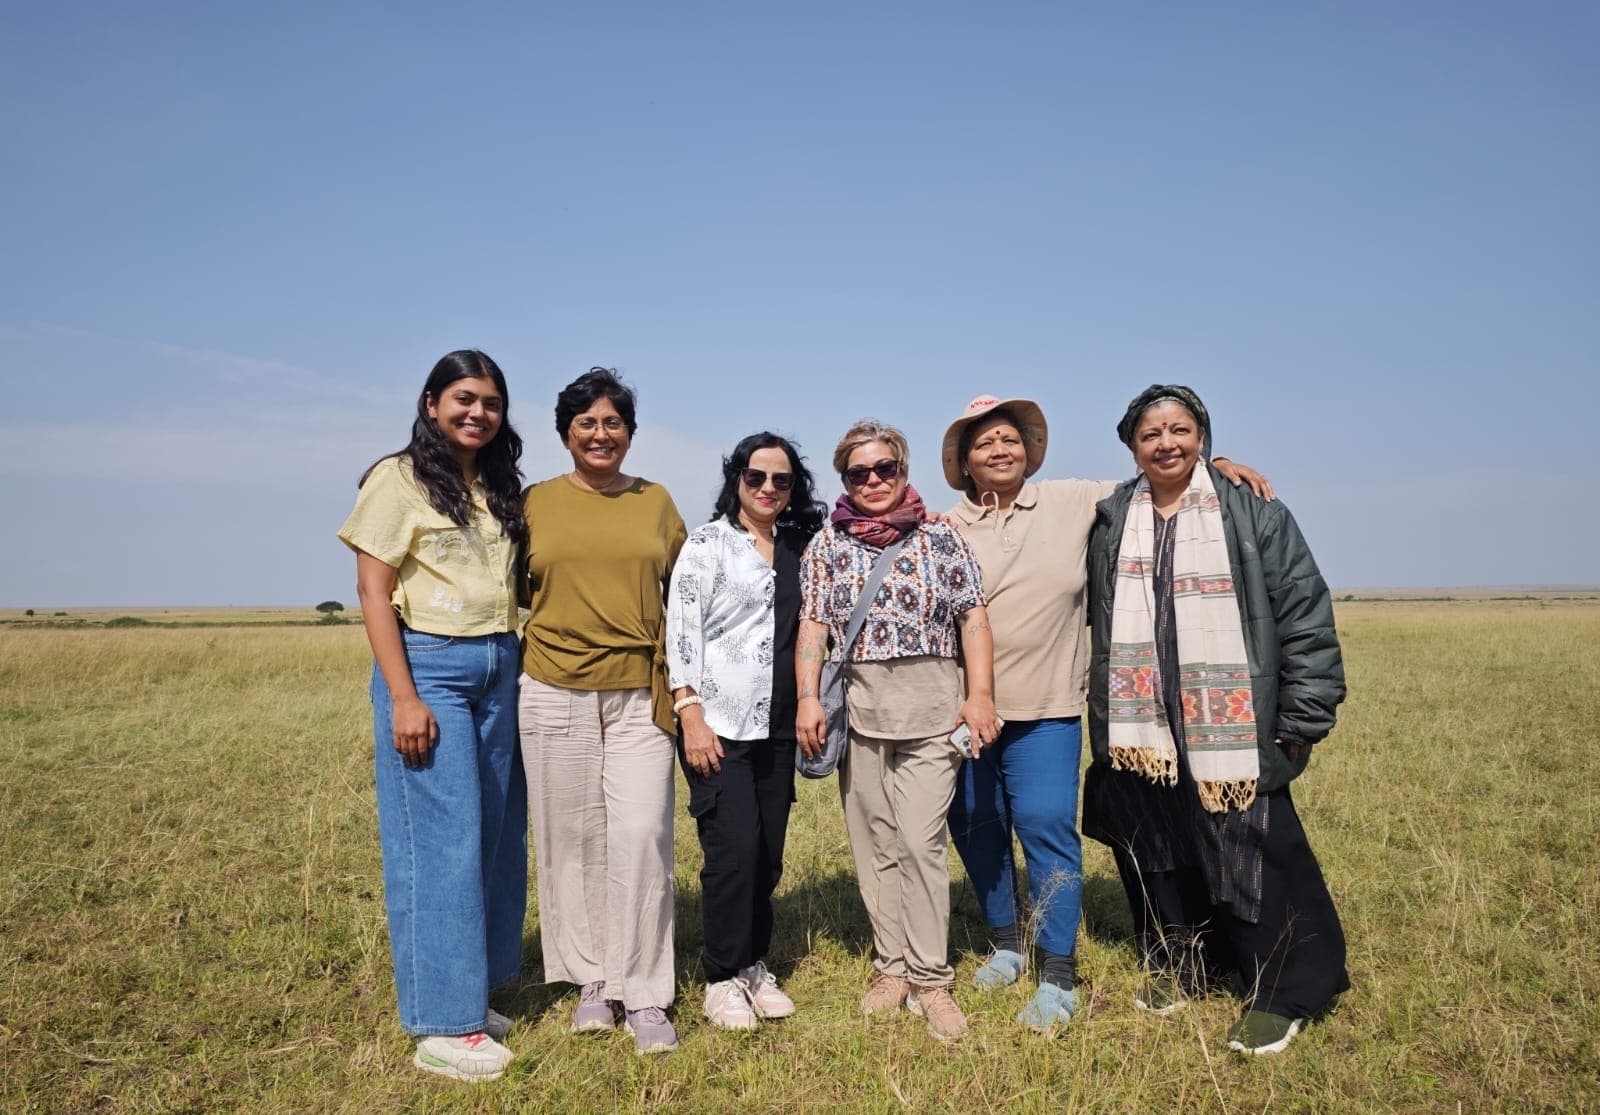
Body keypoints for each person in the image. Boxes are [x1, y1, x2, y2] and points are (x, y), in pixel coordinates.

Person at [939, 394, 1272, 1033]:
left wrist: (1217, 462)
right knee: (978, 827)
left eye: (1010, 438)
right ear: (964, 461)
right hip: (966, 711)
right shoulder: (945, 527)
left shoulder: (1073, 501)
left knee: (1045, 827)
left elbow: (1160, 474)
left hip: (1049, 707)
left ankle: (1058, 970)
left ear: (1029, 450)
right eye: (983, 443)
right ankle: (1006, 941)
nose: (1000, 450)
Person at [1083, 384, 1348, 1056]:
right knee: (1158, 852)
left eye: (1180, 429)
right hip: (1146, 728)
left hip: (1233, 723)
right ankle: (1186, 964)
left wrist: (1303, 714)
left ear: (1202, 437)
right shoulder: (1114, 519)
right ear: (1132, 447)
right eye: (1150, 434)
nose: (1166, 443)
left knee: (1257, 853)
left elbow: (1304, 612)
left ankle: (1285, 991)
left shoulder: (1252, 510)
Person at [337, 349, 529, 1082]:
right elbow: (371, 589)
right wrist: (405, 696)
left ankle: (473, 993)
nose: (478, 412)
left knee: (495, 833)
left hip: (500, 661)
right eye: (463, 399)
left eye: (490, 402)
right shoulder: (398, 478)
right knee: (440, 843)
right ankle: (443, 1026)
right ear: (430, 404)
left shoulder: (497, 484)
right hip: (432, 665)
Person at [795, 420, 1001, 1042]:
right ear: (845, 480)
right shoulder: (826, 545)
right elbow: (813, 627)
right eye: (859, 473)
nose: (874, 481)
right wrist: (808, 698)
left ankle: (932, 978)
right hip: (860, 715)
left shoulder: (941, 538)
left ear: (904, 471)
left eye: (885, 468)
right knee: (873, 845)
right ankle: (892, 967)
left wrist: (980, 696)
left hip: (932, 713)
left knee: (919, 842)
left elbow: (973, 619)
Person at [516, 367, 688, 1055]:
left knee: (642, 833)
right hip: (551, 687)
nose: (599, 433)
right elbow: (517, 588)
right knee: (572, 840)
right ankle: (593, 980)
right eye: (585, 422)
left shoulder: (657, 503)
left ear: (630, 433)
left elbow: (686, 593)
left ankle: (644, 991)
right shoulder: (534, 502)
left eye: (612, 422)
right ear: (566, 433)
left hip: (640, 692)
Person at [667, 433, 826, 1031]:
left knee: (766, 854)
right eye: (755, 476)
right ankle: (720, 977)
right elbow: (681, 632)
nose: (767, 488)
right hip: (718, 726)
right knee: (731, 853)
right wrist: (690, 714)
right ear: (736, 479)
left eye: (781, 480)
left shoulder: (798, 548)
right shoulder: (706, 545)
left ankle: (752, 965)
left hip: (778, 726)